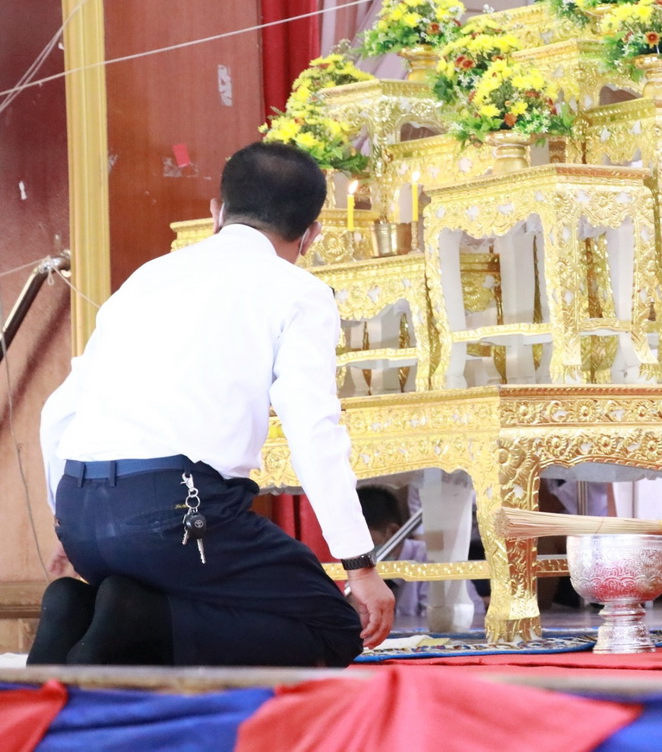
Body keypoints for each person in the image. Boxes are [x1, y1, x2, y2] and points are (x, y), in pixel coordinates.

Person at [30, 142, 394, 666]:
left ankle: (77, 608)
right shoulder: (298, 291)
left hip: (81, 513)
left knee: (190, 583)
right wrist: (360, 565)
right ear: (311, 234)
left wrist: (66, 522)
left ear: (216, 211)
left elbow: (58, 412)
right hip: (178, 515)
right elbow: (312, 429)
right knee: (333, 627)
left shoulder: (147, 277)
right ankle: (136, 619)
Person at [358, 485, 428, 618]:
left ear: (393, 533)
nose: (356, 552)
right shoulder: (347, 568)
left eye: (362, 543)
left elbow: (440, 622)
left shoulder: (428, 561)